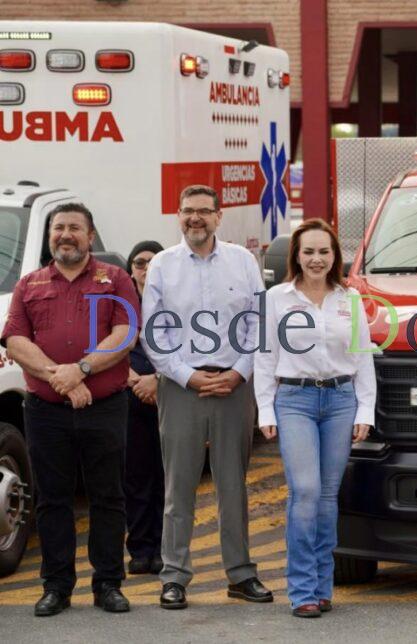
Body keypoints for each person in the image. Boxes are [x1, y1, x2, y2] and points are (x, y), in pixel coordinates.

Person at [1, 203, 138, 616]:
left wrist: (81, 370)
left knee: (108, 497)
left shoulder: (115, 278)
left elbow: (126, 332)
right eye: (58, 227)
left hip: (105, 407)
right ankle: (56, 586)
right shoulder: (29, 284)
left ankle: (108, 584)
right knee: (52, 500)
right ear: (50, 237)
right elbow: (15, 340)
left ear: (90, 236)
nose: (65, 234)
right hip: (46, 410)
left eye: (74, 227)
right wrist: (59, 376)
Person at [142, 185, 272, 609]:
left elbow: (258, 322)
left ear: (219, 216)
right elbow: (154, 333)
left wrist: (238, 373)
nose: (195, 218)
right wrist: (189, 377)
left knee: (233, 485)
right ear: (178, 216)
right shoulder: (163, 265)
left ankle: (240, 573)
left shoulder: (243, 261)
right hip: (182, 387)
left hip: (235, 385)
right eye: (187, 211)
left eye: (203, 211)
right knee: (178, 486)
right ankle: (174, 577)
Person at [254, 218, 375, 617]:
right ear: (296, 255)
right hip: (295, 401)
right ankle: (302, 588)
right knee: (305, 491)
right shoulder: (276, 299)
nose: (316, 259)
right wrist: (265, 409)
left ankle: (323, 587)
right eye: (308, 251)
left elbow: (362, 357)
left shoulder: (349, 299)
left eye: (324, 251)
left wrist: (365, 409)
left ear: (335, 256)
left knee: (326, 497)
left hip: (341, 400)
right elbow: (264, 356)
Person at [123, 241, 166, 575]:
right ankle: (140, 549)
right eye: (139, 263)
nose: (146, 268)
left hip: (170, 395)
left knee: (167, 475)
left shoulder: (174, 302)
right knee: (136, 475)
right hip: (129, 395)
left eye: (153, 262)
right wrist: (133, 379)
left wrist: (158, 380)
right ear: (130, 269)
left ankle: (164, 548)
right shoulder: (119, 305)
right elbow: (104, 344)